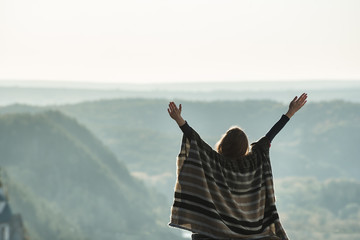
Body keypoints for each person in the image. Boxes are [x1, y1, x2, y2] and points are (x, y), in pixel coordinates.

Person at [167, 93, 307, 240]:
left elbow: (194, 139)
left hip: (219, 233)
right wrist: (290, 112)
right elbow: (271, 135)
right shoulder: (255, 160)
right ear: (245, 147)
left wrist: (179, 120)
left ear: (222, 145)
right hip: (253, 233)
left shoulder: (214, 162)